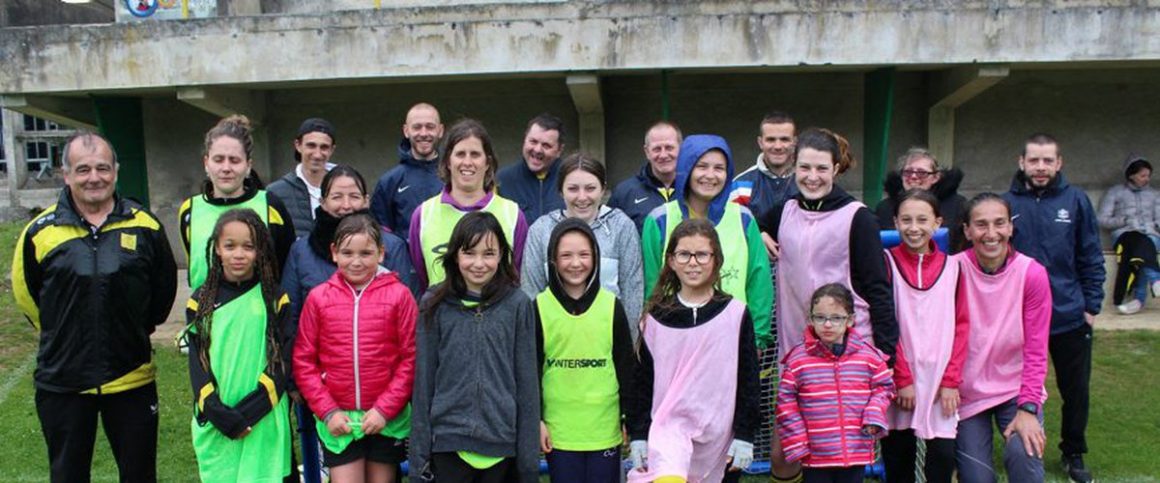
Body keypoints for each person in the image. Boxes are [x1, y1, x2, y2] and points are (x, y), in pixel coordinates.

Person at [12, 132, 177, 483]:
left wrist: (129, 330)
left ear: (116, 171)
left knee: (140, 475)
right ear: (66, 174)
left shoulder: (144, 226)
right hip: (64, 382)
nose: (94, 177)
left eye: (103, 168)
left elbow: (161, 296)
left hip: (131, 377)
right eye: (83, 169)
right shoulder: (39, 232)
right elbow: (28, 298)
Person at [758, 127, 898, 483]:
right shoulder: (784, 211)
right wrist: (759, 233)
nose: (812, 176)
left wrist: (885, 353)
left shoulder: (858, 217)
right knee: (785, 453)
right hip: (797, 351)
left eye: (821, 168)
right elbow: (752, 224)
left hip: (846, 354)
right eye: (805, 168)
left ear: (836, 169)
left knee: (837, 458)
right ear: (794, 167)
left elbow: (878, 290)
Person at [280, 166, 417, 483]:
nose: (357, 261)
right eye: (348, 253)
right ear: (334, 253)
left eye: (366, 253)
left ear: (381, 252)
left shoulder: (399, 296)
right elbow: (304, 359)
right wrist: (327, 410)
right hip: (338, 418)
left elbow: (410, 357)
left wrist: (385, 408)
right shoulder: (319, 298)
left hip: (386, 417)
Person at [625, 219, 760, 483]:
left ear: (716, 260)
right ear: (672, 261)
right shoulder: (654, 318)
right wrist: (639, 434)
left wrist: (745, 435)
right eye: (684, 254)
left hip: (720, 436)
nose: (693, 262)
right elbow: (641, 383)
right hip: (669, 431)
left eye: (702, 254)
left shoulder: (736, 313)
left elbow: (748, 379)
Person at [1003, 133, 1104, 483]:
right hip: (1018, 317)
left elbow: (1090, 254)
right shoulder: (1006, 203)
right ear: (1022, 162)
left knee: (1075, 389)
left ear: (1059, 164)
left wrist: (1090, 305)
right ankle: (1015, 441)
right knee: (1015, 386)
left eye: (1048, 161)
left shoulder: (1075, 201)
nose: (1041, 167)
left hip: (1068, 315)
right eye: (1034, 160)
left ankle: (1073, 451)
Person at [410, 211, 540, 483]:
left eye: (489, 253)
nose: (479, 263)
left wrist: (528, 467)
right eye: (469, 253)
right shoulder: (434, 303)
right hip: (448, 443)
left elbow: (528, 387)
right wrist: (419, 461)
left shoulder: (518, 304)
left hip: (502, 444)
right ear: (455, 255)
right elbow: (423, 384)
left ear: (502, 256)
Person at [185, 209, 293, 482]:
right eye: (230, 246)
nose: (239, 254)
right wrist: (217, 412)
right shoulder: (200, 302)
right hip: (217, 421)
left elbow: (282, 360)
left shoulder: (274, 298)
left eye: (249, 246)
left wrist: (249, 413)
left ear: (261, 251)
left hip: (263, 419)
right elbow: (197, 364)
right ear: (217, 249)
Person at [953, 193, 1051, 483]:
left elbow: (1036, 349)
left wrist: (1029, 408)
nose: (991, 233)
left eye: (999, 223)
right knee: (976, 477)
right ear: (968, 231)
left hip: (1015, 389)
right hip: (967, 392)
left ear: (1010, 227)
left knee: (1023, 455)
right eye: (981, 225)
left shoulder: (1032, 273)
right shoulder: (952, 271)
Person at [641, 134, 773, 349]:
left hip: (732, 337)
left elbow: (759, 283)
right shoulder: (659, 220)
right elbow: (651, 285)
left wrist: (757, 338)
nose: (710, 175)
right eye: (701, 166)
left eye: (719, 168)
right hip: (675, 337)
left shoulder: (744, 218)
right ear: (686, 168)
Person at [535, 219, 634, 483]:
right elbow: (530, 372)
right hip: (560, 431)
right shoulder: (539, 307)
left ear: (596, 258)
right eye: (566, 255)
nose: (575, 263)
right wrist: (537, 420)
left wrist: (629, 418)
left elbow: (625, 368)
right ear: (553, 260)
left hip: (604, 428)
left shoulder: (612, 306)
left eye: (583, 254)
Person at [880, 190, 969, 483]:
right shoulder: (885, 263)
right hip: (899, 381)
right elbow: (883, 323)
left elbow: (962, 327)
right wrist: (901, 377)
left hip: (941, 382)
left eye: (922, 219)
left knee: (942, 459)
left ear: (937, 222)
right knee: (899, 461)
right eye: (906, 219)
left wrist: (950, 381)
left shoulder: (955, 267)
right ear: (895, 222)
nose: (914, 227)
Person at [775, 283, 895, 483]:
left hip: (854, 451)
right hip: (814, 454)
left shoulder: (869, 357)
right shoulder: (797, 360)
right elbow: (785, 403)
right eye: (820, 317)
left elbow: (884, 387)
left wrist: (874, 413)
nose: (827, 324)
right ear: (810, 319)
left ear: (850, 320)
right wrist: (797, 441)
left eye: (836, 318)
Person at [521, 153, 645, 333]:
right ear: (560, 190)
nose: (582, 197)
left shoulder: (622, 227)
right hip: (555, 339)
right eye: (572, 189)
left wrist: (625, 346)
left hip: (608, 338)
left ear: (603, 190)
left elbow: (633, 292)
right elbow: (531, 292)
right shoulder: (541, 230)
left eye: (590, 188)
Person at [408, 118, 528, 292]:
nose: (467, 162)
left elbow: (516, 277)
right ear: (448, 161)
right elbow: (423, 277)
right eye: (460, 154)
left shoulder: (513, 215)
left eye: (475, 154)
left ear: (487, 162)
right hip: (442, 315)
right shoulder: (423, 215)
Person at [180, 114, 296, 291]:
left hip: (260, 315)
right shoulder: (189, 210)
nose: (226, 168)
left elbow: (286, 267)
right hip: (205, 315)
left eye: (234, 160)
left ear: (248, 165)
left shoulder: (270, 205)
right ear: (206, 163)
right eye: (218, 159)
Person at [371, 103, 446, 241]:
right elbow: (381, 233)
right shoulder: (389, 182)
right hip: (405, 261)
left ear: (440, 130)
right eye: (417, 127)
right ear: (406, 131)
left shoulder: (453, 176)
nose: (423, 133)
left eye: (430, 127)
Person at [1097, 154, 1160, 314]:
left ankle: (1139, 300)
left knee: (1145, 249)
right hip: (1125, 235)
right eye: (1142, 175)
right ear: (1131, 175)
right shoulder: (1115, 192)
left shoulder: (1154, 194)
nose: (1146, 179)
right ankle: (1154, 281)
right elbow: (1101, 219)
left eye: (1148, 176)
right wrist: (1123, 220)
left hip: (1150, 235)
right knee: (1142, 249)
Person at [873, 147, 968, 252]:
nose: (913, 176)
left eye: (922, 173)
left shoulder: (957, 205)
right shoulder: (884, 208)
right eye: (908, 172)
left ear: (936, 177)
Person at [267, 117, 339, 238]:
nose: (317, 154)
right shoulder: (276, 192)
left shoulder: (347, 188)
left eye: (324, 147)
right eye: (311, 146)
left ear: (332, 150)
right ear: (298, 145)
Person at [609, 121, 682, 231]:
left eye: (669, 147)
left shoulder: (693, 190)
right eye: (657, 149)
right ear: (647, 152)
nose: (663, 155)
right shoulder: (624, 193)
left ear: (681, 148)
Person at [729, 111, 799, 223]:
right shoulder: (739, 187)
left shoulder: (809, 181)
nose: (778, 146)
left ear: (794, 142)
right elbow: (734, 233)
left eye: (784, 139)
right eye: (771, 139)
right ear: (760, 142)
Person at [497, 113, 567, 222]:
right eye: (533, 141)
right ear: (524, 140)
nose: (538, 149)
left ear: (559, 150)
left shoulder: (571, 179)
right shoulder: (502, 181)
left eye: (546, 145)